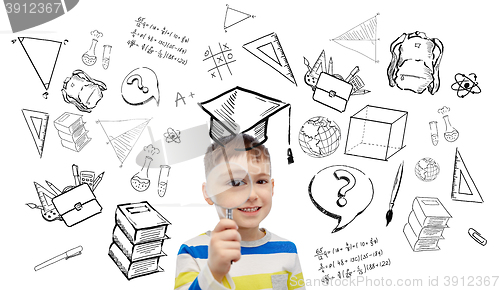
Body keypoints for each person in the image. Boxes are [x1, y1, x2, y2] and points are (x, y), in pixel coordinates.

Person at [174, 134, 304, 289]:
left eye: (261, 181)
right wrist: (213, 272)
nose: (252, 195)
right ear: (208, 192)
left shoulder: (288, 250)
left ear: (272, 187)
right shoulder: (193, 252)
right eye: (236, 182)